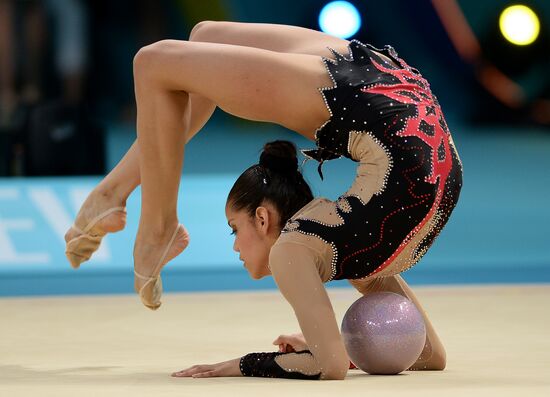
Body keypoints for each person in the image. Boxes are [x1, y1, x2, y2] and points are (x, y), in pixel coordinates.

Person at [64, 21, 462, 380]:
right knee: (161, 59)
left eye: (232, 229)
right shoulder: (316, 246)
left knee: (191, 46)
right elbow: (357, 361)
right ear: (262, 218)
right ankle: (154, 225)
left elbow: (411, 354)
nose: (235, 244)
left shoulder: (352, 245)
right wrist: (324, 347)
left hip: (409, 119)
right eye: (234, 229)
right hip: (378, 111)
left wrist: (246, 363)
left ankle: (121, 202)